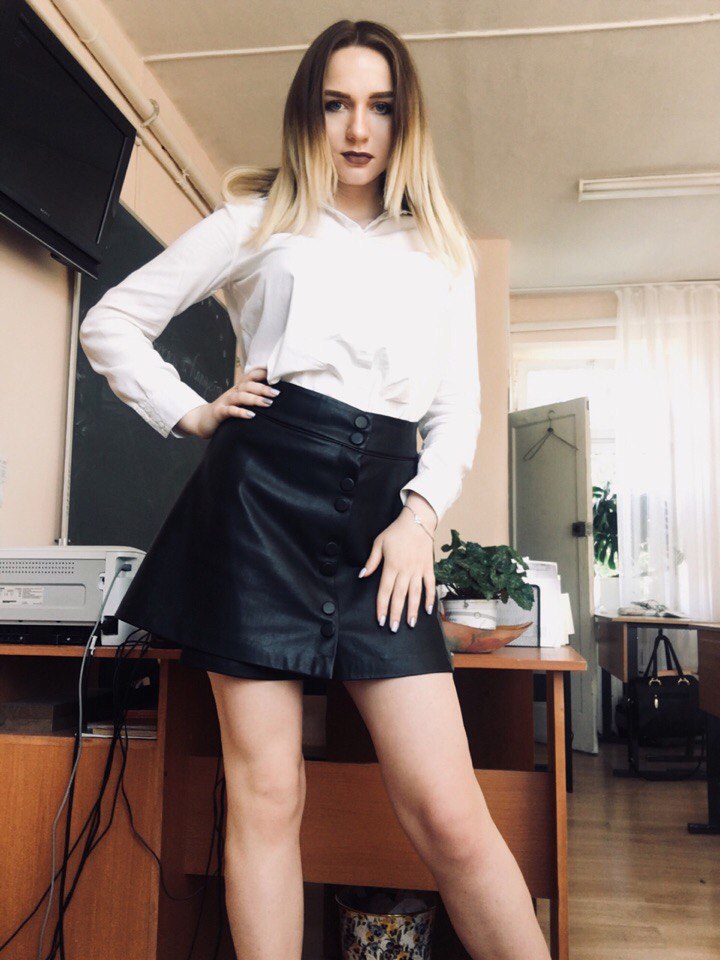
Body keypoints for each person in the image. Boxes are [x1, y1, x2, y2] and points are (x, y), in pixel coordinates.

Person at [79, 18, 551, 960]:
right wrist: (191, 411)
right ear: (309, 114)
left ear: (405, 120)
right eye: (336, 104)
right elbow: (113, 322)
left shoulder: (441, 250)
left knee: (451, 814)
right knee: (267, 797)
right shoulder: (256, 222)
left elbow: (457, 410)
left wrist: (420, 517)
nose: (357, 128)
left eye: (379, 106)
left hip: (386, 528)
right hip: (258, 508)